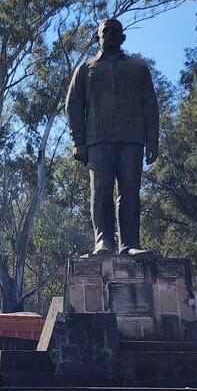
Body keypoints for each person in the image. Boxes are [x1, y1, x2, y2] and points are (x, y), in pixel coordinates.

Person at [66, 18, 159, 255]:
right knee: (101, 191)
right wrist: (78, 141)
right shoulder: (85, 69)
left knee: (130, 192)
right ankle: (103, 242)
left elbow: (150, 104)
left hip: (132, 139)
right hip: (98, 140)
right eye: (105, 31)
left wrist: (153, 139)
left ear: (123, 37)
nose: (111, 34)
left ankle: (130, 244)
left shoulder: (138, 68)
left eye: (116, 31)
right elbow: (73, 106)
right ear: (97, 37)